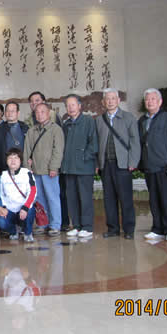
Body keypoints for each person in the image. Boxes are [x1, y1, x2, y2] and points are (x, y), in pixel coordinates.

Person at [139, 88, 167, 242]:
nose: (150, 102)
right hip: (150, 167)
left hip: (166, 166)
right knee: (154, 200)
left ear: (160, 102)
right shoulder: (142, 120)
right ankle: (157, 228)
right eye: (147, 99)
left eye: (153, 99)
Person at [95, 88, 141, 239]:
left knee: (125, 198)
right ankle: (113, 228)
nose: (110, 101)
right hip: (106, 165)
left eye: (113, 98)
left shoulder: (128, 117)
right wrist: (97, 163)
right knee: (109, 198)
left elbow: (135, 141)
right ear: (103, 102)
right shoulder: (99, 120)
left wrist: (133, 161)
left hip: (123, 164)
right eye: (107, 99)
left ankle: (129, 229)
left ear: (118, 100)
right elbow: (96, 143)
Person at [23, 103, 64, 237]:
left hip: (49, 171)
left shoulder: (56, 129)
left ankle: (55, 225)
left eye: (43, 111)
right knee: (39, 200)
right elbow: (27, 151)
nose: (40, 114)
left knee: (52, 198)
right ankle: (42, 224)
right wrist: (28, 169)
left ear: (48, 113)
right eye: (37, 112)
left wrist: (54, 167)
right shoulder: (31, 131)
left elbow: (58, 150)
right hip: (35, 171)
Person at [61, 94, 98, 239]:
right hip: (69, 167)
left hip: (84, 167)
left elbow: (93, 143)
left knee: (85, 198)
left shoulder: (88, 121)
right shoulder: (66, 124)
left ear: (79, 106)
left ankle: (87, 227)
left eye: (73, 105)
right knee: (72, 198)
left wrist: (84, 157)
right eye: (68, 105)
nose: (70, 108)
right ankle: (76, 226)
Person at [0, 148, 37, 242]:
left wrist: (25, 207)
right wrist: (3, 207)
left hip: (24, 208)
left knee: (30, 211)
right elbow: (0, 194)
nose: (13, 160)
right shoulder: (3, 175)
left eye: (16, 158)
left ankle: (27, 233)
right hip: (10, 209)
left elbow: (33, 191)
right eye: (10, 158)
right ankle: (13, 231)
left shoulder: (27, 173)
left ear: (20, 160)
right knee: (1, 221)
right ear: (6, 161)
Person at [0, 102, 28, 171]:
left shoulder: (25, 127)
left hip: (22, 166)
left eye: (13, 111)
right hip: (4, 166)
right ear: (5, 113)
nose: (10, 113)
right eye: (8, 111)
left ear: (18, 113)